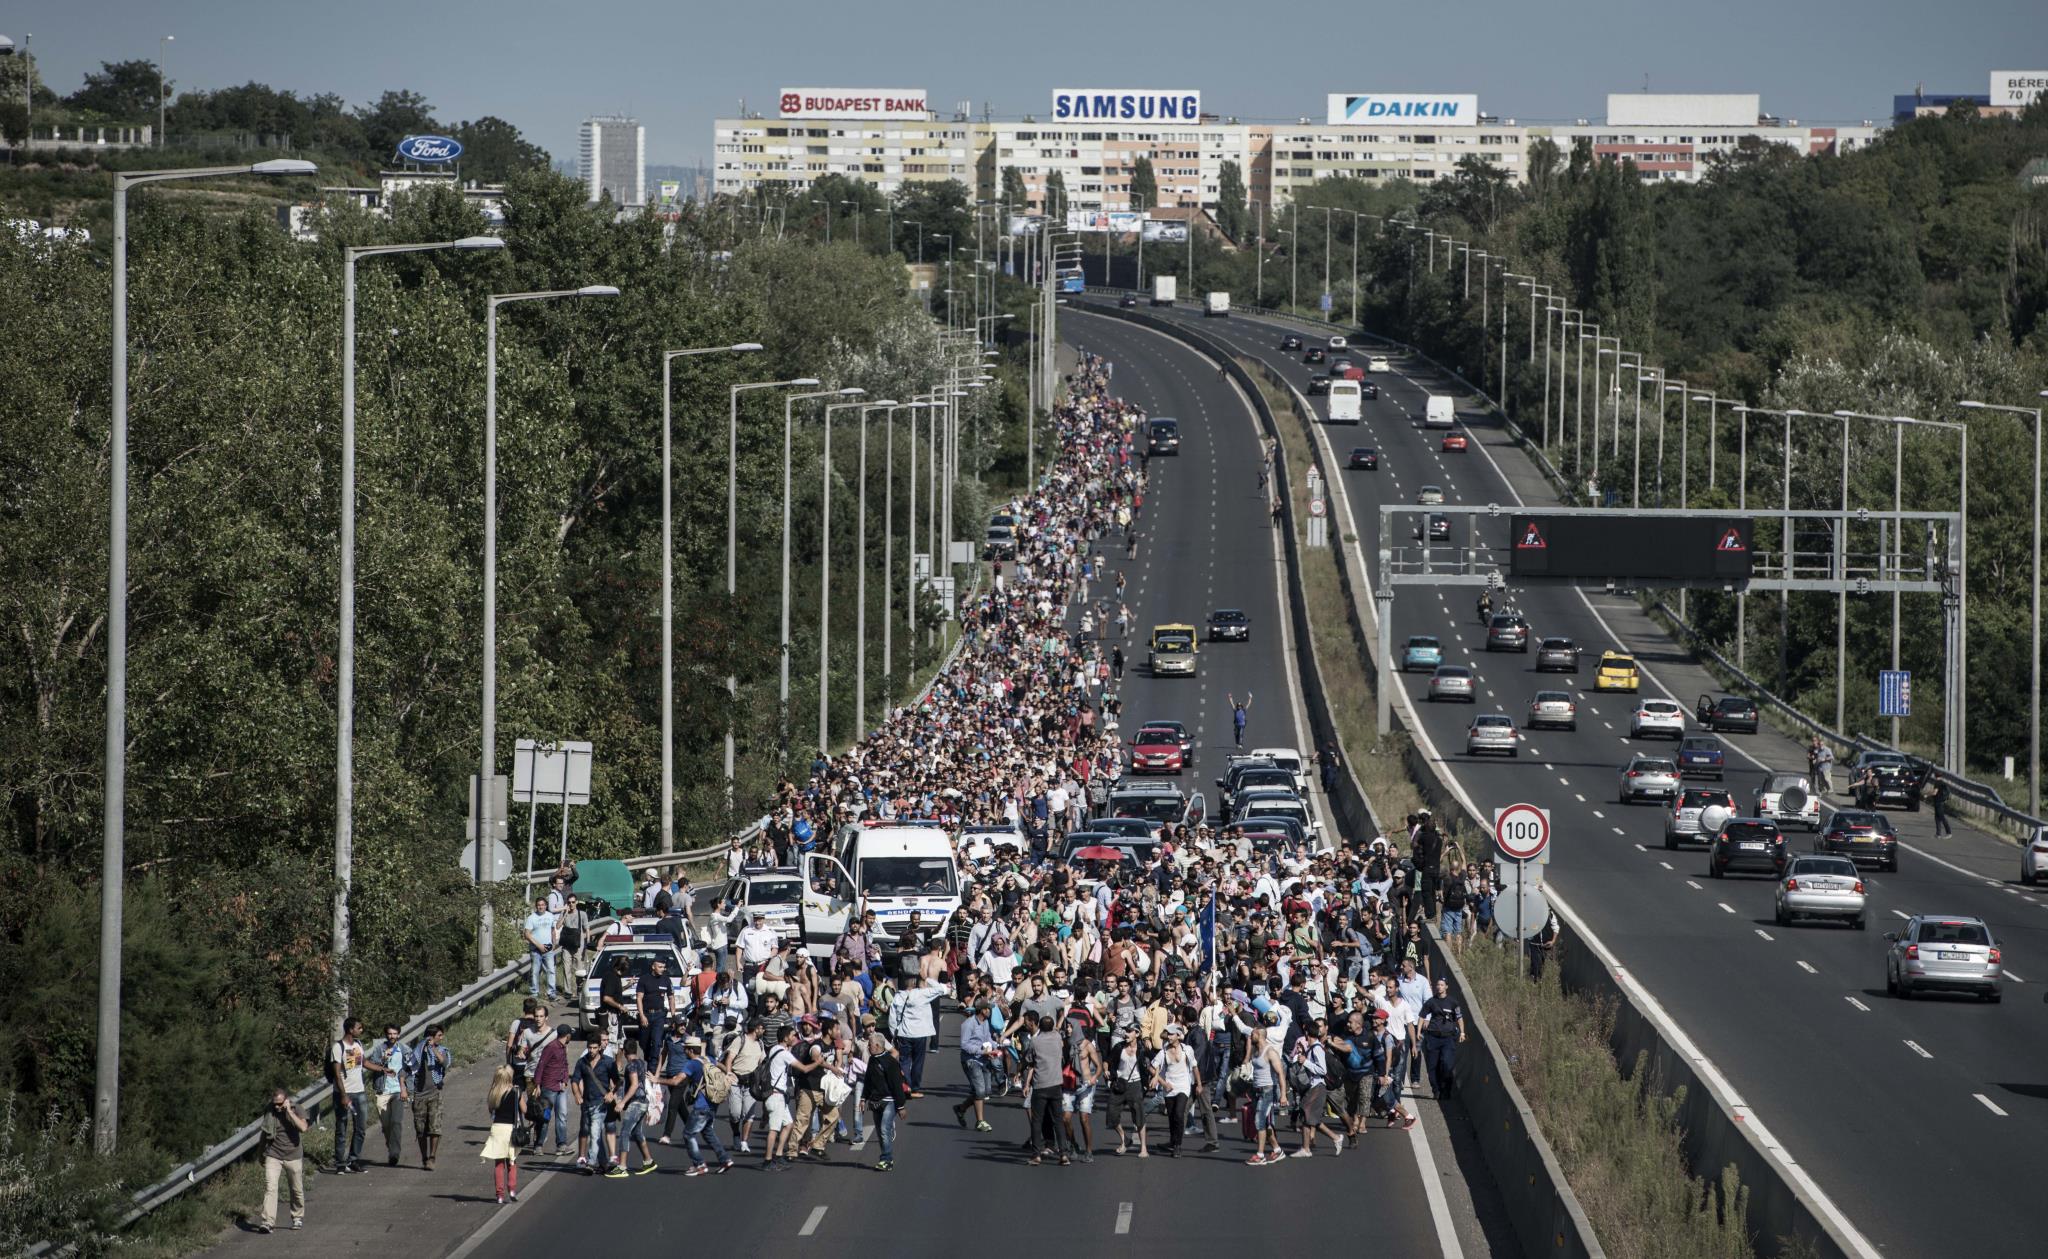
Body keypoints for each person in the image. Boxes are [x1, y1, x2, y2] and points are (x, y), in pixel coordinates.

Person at [675, 1035, 734, 1176]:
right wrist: (729, 1073)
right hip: (713, 1103)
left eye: (685, 1049)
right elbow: (720, 1065)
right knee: (708, 1133)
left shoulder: (692, 1064)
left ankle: (699, 1164)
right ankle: (725, 1159)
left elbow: (677, 1081)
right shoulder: (709, 1059)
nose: (684, 1052)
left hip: (701, 1106)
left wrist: (657, 1079)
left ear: (690, 1050)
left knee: (688, 1134)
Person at [255, 1088, 308, 1233]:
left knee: (296, 1189)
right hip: (274, 1154)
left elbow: (303, 1127)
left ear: (286, 1100)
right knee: (270, 1187)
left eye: (280, 1104)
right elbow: (265, 1132)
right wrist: (261, 1153)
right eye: (275, 1104)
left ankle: (297, 1217)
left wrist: (289, 1112)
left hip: (293, 1155)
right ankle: (267, 1222)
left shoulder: (296, 1108)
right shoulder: (269, 1110)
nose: (277, 1107)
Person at [364, 1023, 410, 1168]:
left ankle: (394, 1153)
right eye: (390, 1034)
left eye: (395, 1034)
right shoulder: (379, 1049)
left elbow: (409, 1068)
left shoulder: (404, 1049)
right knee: (386, 1125)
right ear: (386, 1034)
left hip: (398, 1090)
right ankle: (391, 1146)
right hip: (382, 1090)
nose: (392, 1036)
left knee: (396, 1122)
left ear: (399, 1034)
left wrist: (405, 1088)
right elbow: (373, 1065)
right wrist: (383, 1059)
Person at [864, 1031, 911, 1171]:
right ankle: (886, 1156)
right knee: (880, 1131)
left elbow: (897, 1086)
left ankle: (887, 1160)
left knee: (884, 1129)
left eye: (870, 1044)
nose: (868, 1047)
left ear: (877, 1045)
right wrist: (863, 1098)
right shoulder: (872, 1060)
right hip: (875, 1101)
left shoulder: (890, 1063)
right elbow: (868, 1081)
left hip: (889, 1101)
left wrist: (901, 1106)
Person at [328, 1019, 370, 1175]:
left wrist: (382, 1069)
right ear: (351, 1030)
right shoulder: (338, 1048)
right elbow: (337, 1074)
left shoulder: (358, 1044)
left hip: (360, 1092)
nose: (361, 1029)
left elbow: (363, 1062)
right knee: (342, 1128)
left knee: (361, 1128)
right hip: (343, 1094)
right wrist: (344, 1096)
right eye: (359, 1027)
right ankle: (340, 1163)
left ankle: (354, 1160)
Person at [481, 1065, 526, 1204]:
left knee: (499, 1163)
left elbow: (491, 1109)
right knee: (512, 1161)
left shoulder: (493, 1092)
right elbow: (524, 1109)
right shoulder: (516, 1091)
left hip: (497, 1128)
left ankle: (499, 1195)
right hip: (510, 1129)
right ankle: (512, 1189)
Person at [410, 1024, 451, 1170]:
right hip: (419, 1094)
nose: (441, 1037)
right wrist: (423, 1048)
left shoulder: (442, 1050)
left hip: (435, 1093)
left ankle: (432, 1156)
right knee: (420, 1130)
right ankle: (424, 1157)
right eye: (439, 1035)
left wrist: (433, 1049)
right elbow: (409, 1066)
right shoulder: (418, 1050)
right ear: (431, 1036)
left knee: (435, 1128)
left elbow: (444, 1062)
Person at [1418, 977, 1467, 1098]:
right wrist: (1419, 1031)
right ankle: (1436, 1090)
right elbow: (1422, 1016)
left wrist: (1462, 1033)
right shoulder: (1431, 1002)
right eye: (1438, 984)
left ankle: (1446, 1090)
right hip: (1433, 1037)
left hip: (1448, 1039)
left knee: (1446, 1064)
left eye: (1441, 985)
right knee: (1432, 1067)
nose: (1439, 987)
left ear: (1446, 987)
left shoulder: (1453, 1002)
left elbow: (1459, 1018)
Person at [522, 895, 559, 1001]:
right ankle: (534, 993)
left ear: (546, 906)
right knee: (535, 971)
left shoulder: (550, 915)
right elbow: (527, 934)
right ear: (536, 906)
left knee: (551, 970)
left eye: (543, 905)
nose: (541, 907)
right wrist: (539, 945)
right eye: (539, 905)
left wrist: (554, 942)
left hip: (548, 948)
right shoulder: (531, 918)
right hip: (535, 949)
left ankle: (551, 993)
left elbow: (553, 929)